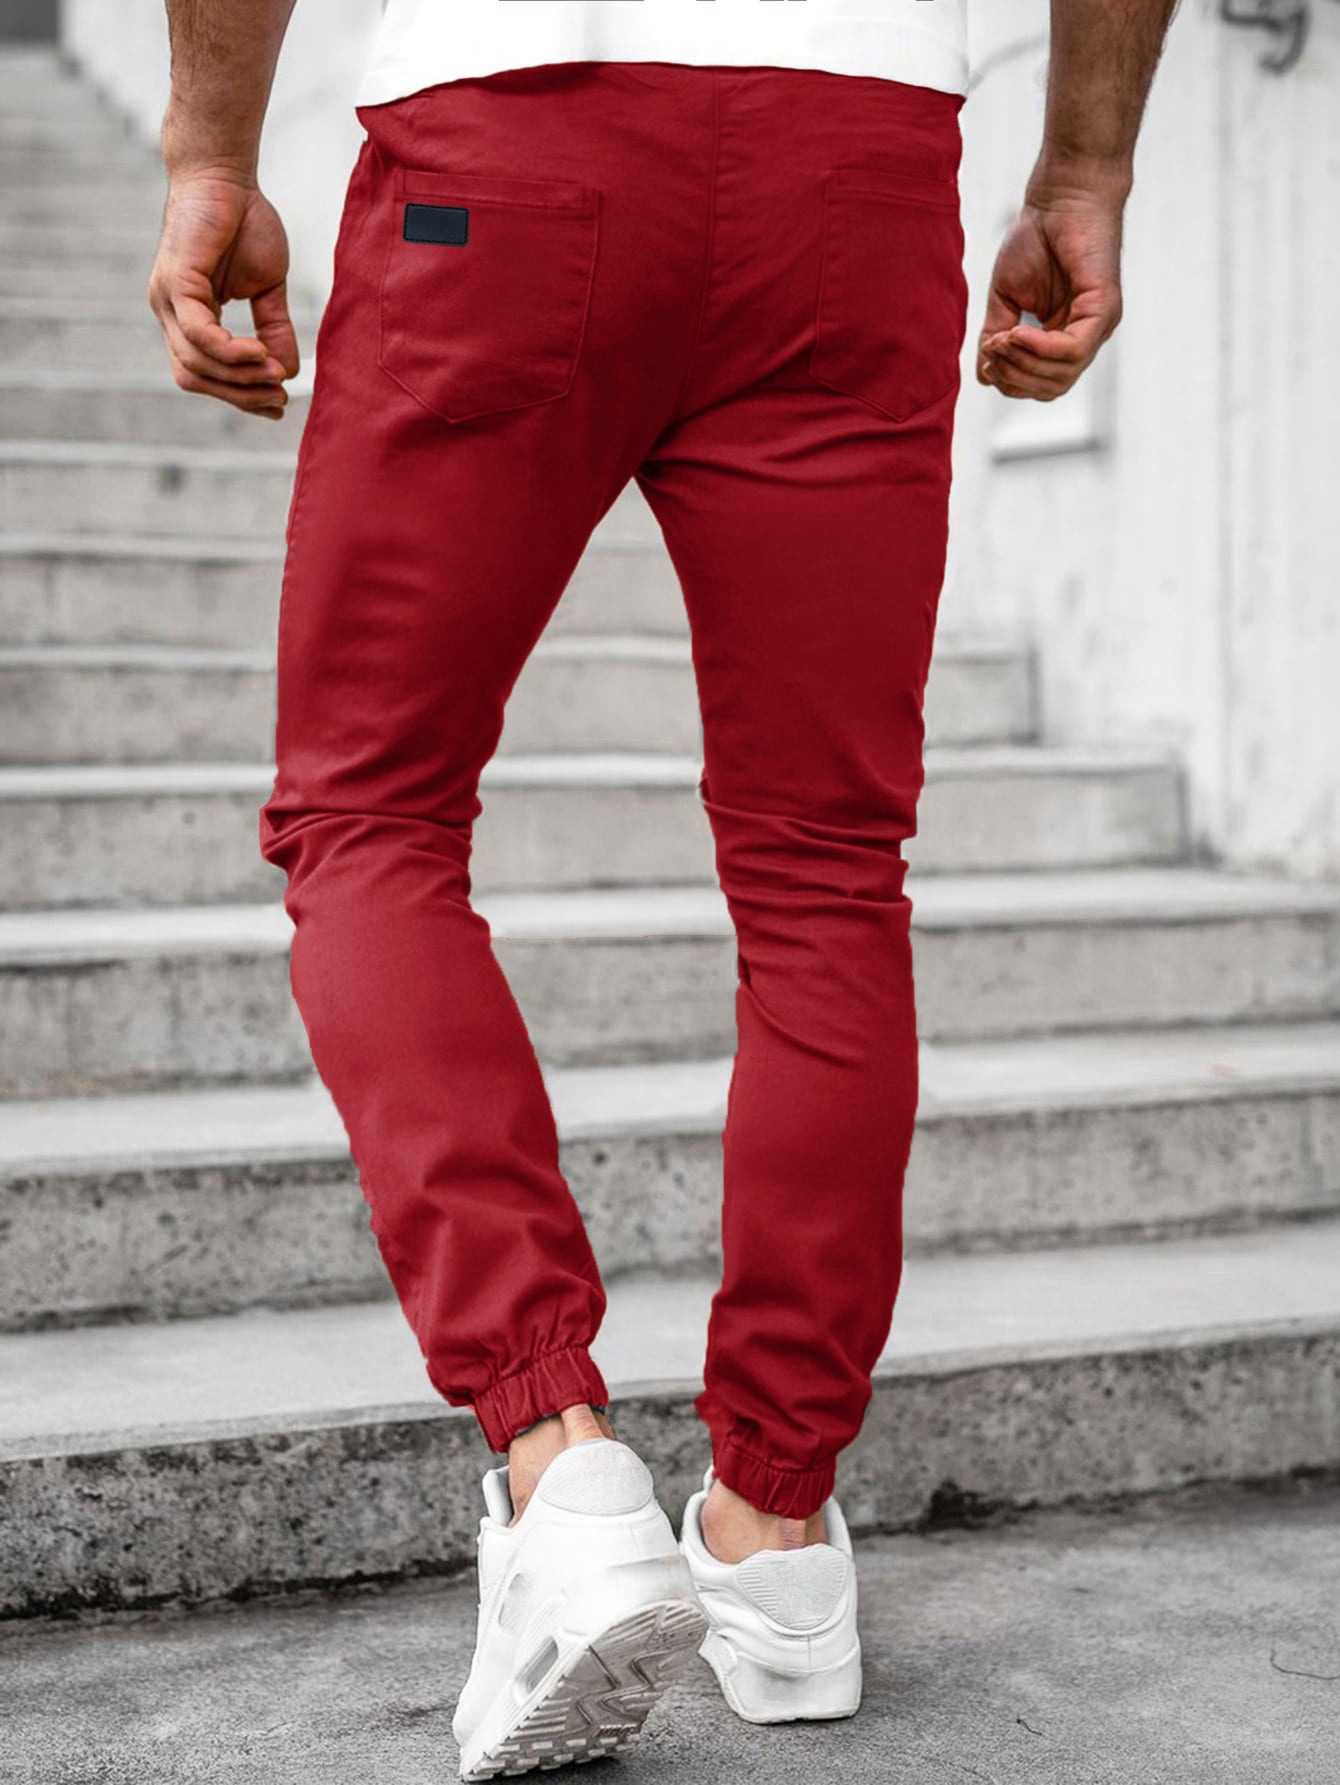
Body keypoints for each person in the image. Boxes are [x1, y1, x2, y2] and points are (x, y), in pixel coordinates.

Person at [150, 1, 1178, 1776]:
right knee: (827, 874)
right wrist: (1085, 167)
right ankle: (777, 1533)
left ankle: (559, 1466)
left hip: (506, 142)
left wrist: (211, 155)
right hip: (853, 166)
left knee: (371, 812)